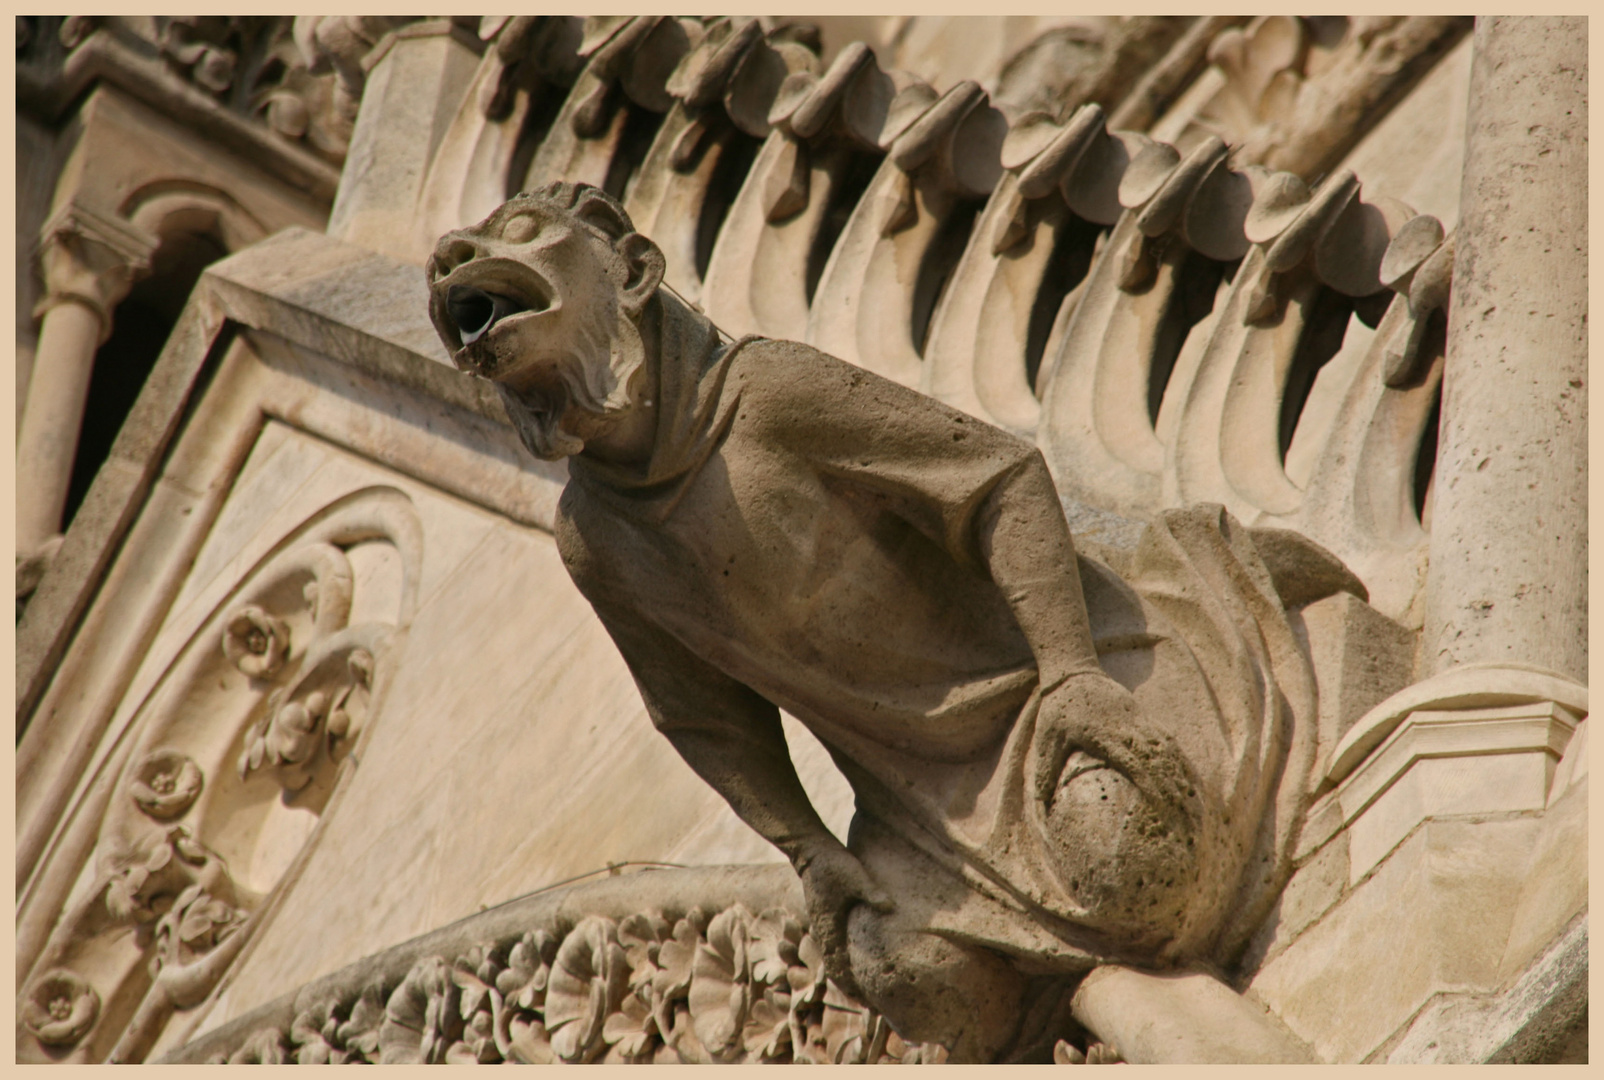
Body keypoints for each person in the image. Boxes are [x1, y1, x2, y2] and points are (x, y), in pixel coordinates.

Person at [427, 182, 1322, 1061]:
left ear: (630, 269)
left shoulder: (766, 395)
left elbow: (999, 481)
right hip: (918, 807)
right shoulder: (596, 540)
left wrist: (1071, 672)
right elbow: (703, 716)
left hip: (1051, 698)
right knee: (907, 975)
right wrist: (810, 848)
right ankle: (1087, 999)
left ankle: (1113, 982)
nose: (460, 261)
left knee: (1135, 867)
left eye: (526, 231)